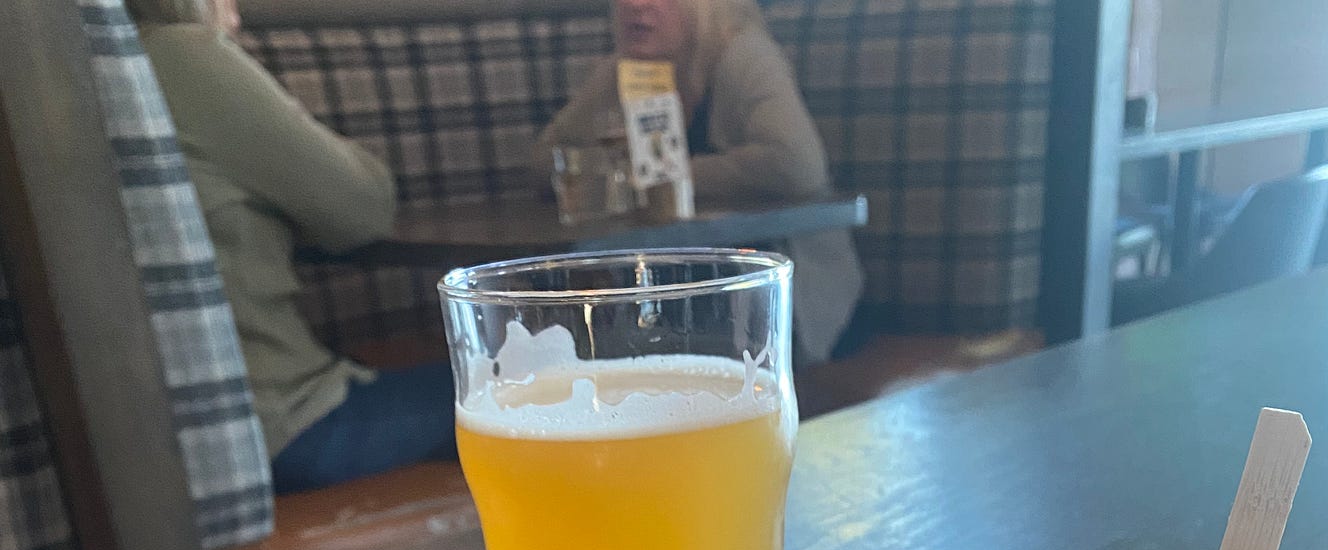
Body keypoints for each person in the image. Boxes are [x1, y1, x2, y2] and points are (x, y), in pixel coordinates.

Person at [131, 0, 457, 493]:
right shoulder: (176, 55)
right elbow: (363, 208)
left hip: (147, 449)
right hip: (277, 430)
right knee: (545, 393)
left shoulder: (50, 73)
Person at [537, 0, 862, 361]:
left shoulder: (741, 55)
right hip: (664, 293)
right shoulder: (623, 70)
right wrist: (609, 168)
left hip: (785, 299)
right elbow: (543, 160)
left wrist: (665, 175)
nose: (636, 5)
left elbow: (797, 164)